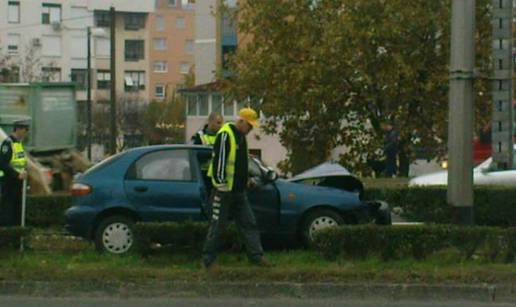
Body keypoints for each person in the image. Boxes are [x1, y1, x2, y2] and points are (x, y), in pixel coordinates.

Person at [202, 108, 271, 271]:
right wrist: (221, 185)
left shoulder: (240, 137)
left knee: (249, 223)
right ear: (241, 121)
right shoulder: (226, 135)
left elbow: (240, 163)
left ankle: (256, 257)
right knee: (217, 226)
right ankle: (208, 261)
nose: (250, 130)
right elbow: (219, 162)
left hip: (239, 191)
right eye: (250, 126)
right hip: (224, 191)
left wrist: (246, 179)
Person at [0, 119, 30, 226]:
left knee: (17, 210)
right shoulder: (8, 144)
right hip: (9, 181)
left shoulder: (18, 144)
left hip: (18, 181)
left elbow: (20, 162)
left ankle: (16, 235)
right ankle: (7, 235)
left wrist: (25, 171)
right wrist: (17, 174)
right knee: (8, 210)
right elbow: (3, 163)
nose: (27, 132)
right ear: (18, 129)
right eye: (25, 129)